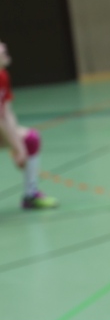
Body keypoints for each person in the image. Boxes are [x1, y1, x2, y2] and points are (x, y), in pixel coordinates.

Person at [0, 41, 58, 210]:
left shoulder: (3, 76)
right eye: (1, 51)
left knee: (31, 139)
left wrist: (19, 147)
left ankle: (30, 195)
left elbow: (6, 113)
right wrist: (17, 148)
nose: (4, 49)